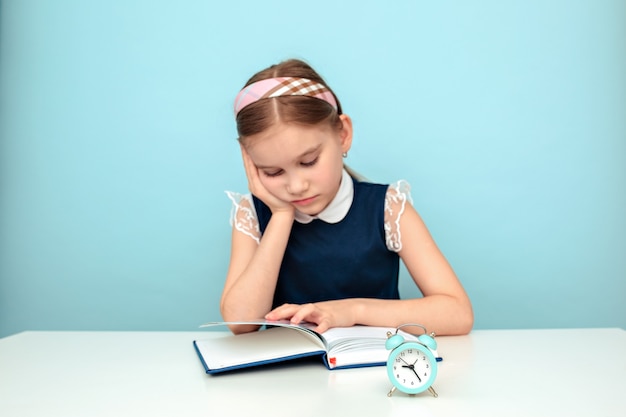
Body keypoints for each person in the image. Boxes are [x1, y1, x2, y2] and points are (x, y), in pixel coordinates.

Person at [220, 58, 473, 336]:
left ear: (343, 135)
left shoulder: (387, 208)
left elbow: (457, 313)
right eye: (272, 171)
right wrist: (281, 216)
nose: (296, 186)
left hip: (374, 370)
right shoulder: (252, 215)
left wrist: (352, 311)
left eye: (309, 162)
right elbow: (240, 322)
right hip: (290, 376)